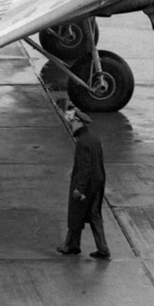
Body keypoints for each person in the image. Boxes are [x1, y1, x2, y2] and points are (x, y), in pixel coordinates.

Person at [56, 111, 110, 260]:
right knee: (94, 216)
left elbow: (86, 167)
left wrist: (79, 188)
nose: (71, 126)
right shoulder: (93, 139)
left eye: (72, 123)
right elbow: (94, 162)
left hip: (87, 185)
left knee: (76, 213)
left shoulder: (82, 142)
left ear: (79, 123)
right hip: (97, 183)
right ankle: (102, 248)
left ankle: (71, 245)